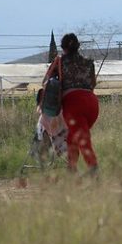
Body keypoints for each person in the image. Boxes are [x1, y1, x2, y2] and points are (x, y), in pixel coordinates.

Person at [43, 33, 100, 177]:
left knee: (81, 138)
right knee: (73, 136)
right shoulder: (88, 62)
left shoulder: (60, 62)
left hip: (74, 105)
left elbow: (46, 80)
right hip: (92, 104)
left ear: (63, 48)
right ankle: (71, 169)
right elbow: (93, 84)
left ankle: (93, 169)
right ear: (78, 46)